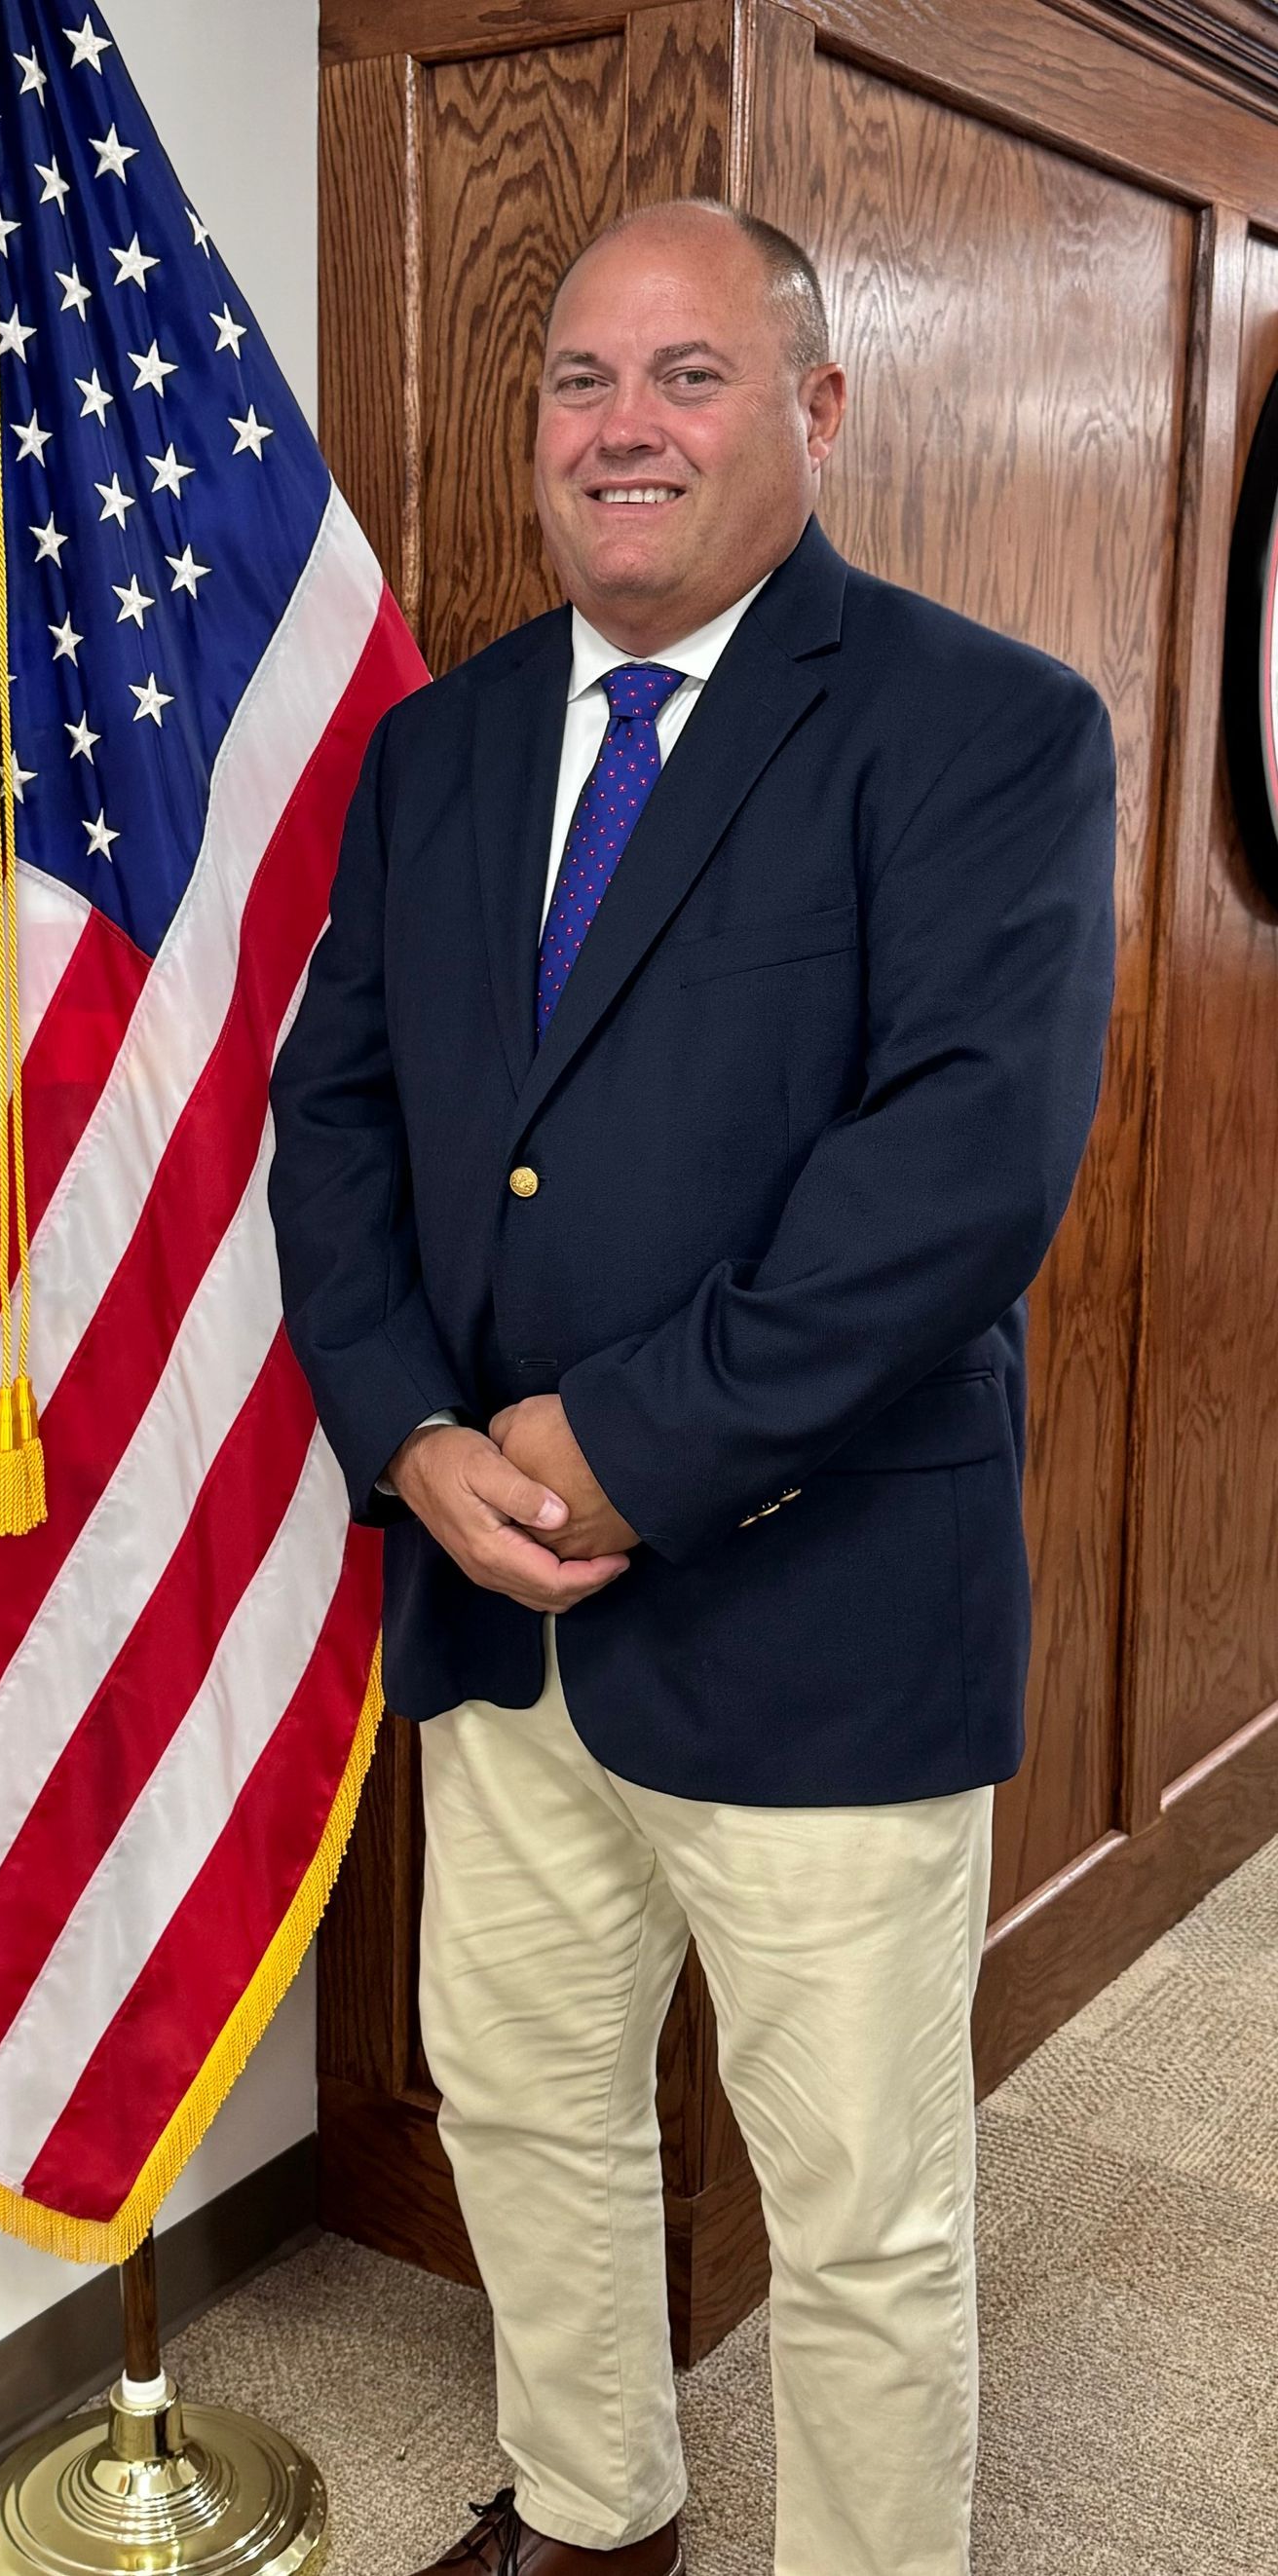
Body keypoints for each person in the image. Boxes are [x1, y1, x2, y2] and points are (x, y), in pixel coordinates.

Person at [266, 198, 1115, 2576]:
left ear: (817, 412)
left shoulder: (989, 730)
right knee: (528, 2115)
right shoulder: (433, 755)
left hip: (818, 1608)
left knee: (860, 2219)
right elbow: (332, 1117)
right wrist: (419, 1436)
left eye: (689, 376)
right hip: (489, 1597)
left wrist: (612, 1449)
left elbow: (952, 1184)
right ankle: (596, 2512)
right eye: (578, 382)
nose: (620, 429)